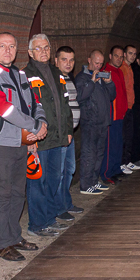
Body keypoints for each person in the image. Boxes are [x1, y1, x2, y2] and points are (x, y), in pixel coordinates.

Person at [0, 32, 47, 262]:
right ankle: (1, 244)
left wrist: (39, 127)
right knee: (2, 193)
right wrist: (34, 126)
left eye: (12, 46)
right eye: (2, 46)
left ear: (17, 50)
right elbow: (4, 109)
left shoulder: (20, 74)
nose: (8, 50)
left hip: (20, 142)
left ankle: (14, 237)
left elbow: (34, 102)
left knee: (18, 192)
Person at [23, 34, 73, 238]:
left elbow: (66, 103)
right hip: (40, 139)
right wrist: (29, 138)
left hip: (58, 137)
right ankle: (37, 223)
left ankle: (50, 217)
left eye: (46, 48)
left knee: (55, 178)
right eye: (38, 48)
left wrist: (69, 130)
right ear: (30, 52)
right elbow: (25, 108)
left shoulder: (56, 72)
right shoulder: (25, 75)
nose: (43, 51)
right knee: (37, 182)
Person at [74, 50, 116, 195]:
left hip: (102, 122)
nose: (98, 66)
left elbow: (112, 96)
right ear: (89, 60)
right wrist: (91, 81)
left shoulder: (100, 76)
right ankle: (85, 185)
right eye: (96, 63)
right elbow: (79, 97)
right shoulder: (82, 78)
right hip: (90, 122)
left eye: (101, 63)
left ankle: (93, 181)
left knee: (99, 154)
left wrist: (109, 83)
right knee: (89, 154)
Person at [54, 45, 84, 220]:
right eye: (64, 59)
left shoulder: (68, 78)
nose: (68, 63)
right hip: (62, 133)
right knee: (60, 171)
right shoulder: (56, 79)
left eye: (71, 60)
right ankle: (59, 207)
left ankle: (66, 202)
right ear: (56, 60)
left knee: (70, 168)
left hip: (70, 132)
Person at [100, 45, 129, 182]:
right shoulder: (106, 71)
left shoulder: (119, 71)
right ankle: (107, 173)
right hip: (112, 115)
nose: (119, 59)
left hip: (120, 115)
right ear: (110, 56)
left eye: (121, 57)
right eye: (116, 56)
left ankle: (116, 169)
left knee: (118, 144)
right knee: (110, 146)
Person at [120, 45, 137, 169]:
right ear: (125, 54)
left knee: (129, 135)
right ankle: (122, 163)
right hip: (124, 108)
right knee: (124, 136)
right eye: (130, 53)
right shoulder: (122, 68)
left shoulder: (130, 68)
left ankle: (127, 161)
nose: (133, 56)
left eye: (134, 54)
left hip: (130, 106)